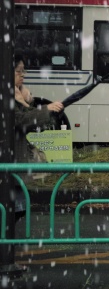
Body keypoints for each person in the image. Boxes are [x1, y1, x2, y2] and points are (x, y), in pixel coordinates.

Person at [13, 55, 65, 220]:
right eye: (18, 71)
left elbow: (31, 123)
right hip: (8, 164)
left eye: (24, 71)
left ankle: (8, 241)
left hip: (13, 165)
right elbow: (21, 120)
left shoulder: (18, 95)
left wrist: (32, 106)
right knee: (14, 210)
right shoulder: (8, 96)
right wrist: (45, 109)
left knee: (18, 209)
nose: (23, 75)